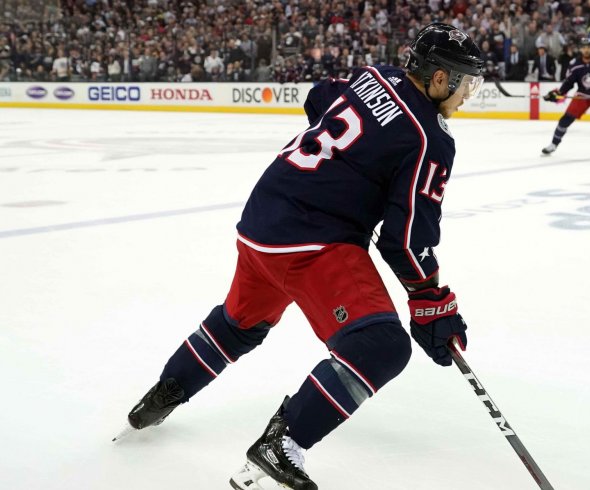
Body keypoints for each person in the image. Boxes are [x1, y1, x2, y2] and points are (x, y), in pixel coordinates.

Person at [119, 23, 484, 490]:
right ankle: (283, 443)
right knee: (380, 347)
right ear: (438, 79)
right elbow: (406, 238)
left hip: (261, 221)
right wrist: (432, 299)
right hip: (312, 240)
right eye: (463, 82)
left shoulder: (374, 76)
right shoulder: (430, 138)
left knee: (238, 324)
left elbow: (319, 97)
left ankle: (165, 393)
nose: (465, 94)